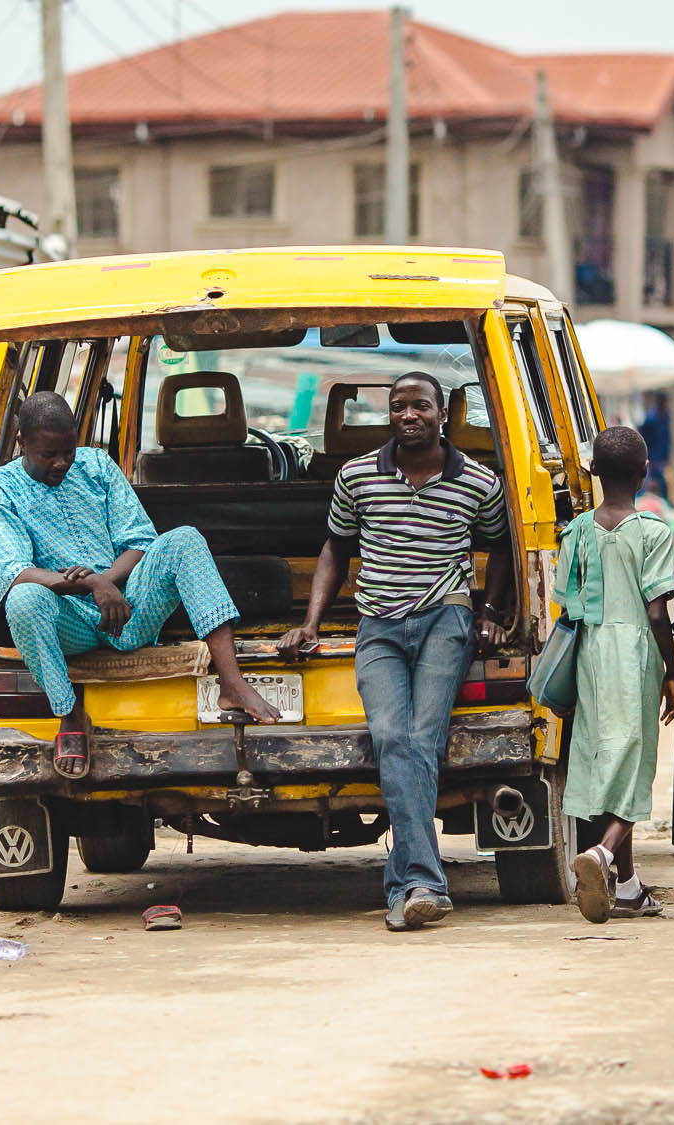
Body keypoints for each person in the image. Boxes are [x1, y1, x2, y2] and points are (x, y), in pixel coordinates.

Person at [281, 371, 513, 931]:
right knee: (391, 736)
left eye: (421, 407)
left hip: (446, 618)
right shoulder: (357, 476)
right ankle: (418, 882)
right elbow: (335, 548)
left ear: (443, 414)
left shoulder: (478, 483)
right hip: (378, 626)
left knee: (422, 737)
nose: (409, 415)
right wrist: (311, 622)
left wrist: (491, 612)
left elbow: (500, 542)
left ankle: (411, 883)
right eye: (399, 406)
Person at [0, 393, 281, 782]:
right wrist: (91, 583)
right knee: (23, 599)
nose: (61, 463)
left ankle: (232, 682)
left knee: (184, 539)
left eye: (68, 451)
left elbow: (138, 541)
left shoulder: (97, 465)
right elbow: (14, 571)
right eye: (47, 454)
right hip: (67, 621)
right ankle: (70, 714)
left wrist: (109, 582)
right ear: (22, 443)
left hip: (127, 609)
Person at [561, 426, 674, 923]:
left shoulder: (577, 532)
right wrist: (671, 670)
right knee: (634, 762)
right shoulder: (653, 532)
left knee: (600, 758)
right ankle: (602, 855)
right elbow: (657, 613)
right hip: (634, 652)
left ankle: (628, 888)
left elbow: (566, 607)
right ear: (645, 471)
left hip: (590, 653)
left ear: (592, 471)